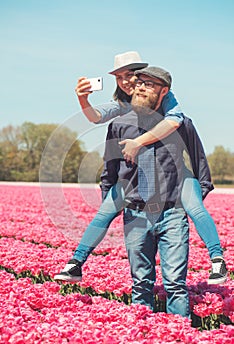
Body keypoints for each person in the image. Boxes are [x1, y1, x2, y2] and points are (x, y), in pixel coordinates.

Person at [54, 52, 227, 285]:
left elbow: (177, 123)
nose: (125, 82)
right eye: (119, 78)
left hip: (173, 176)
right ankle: (76, 263)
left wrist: (202, 184)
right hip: (136, 179)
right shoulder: (124, 106)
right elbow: (97, 117)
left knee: (194, 206)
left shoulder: (165, 99)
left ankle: (217, 260)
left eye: (130, 76)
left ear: (143, 77)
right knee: (105, 210)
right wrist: (83, 100)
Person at [101, 66, 193, 316]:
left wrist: (192, 202)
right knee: (141, 284)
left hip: (172, 213)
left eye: (149, 84)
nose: (140, 86)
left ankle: (179, 336)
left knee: (175, 283)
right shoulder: (119, 125)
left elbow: (200, 166)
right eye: (139, 82)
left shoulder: (179, 125)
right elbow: (109, 171)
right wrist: (108, 207)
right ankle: (143, 335)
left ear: (164, 92)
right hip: (136, 214)